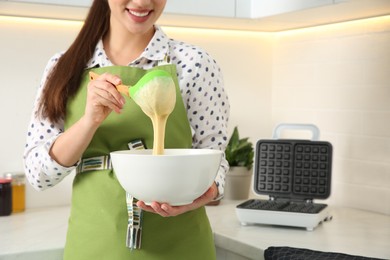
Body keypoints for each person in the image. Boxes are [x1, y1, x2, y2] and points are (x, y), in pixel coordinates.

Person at [23, 0, 230, 259]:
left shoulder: (195, 64)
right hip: (94, 243)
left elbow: (216, 159)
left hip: (180, 244)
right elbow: (37, 174)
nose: (143, 2)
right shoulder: (64, 68)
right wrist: (89, 121)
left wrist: (204, 195)